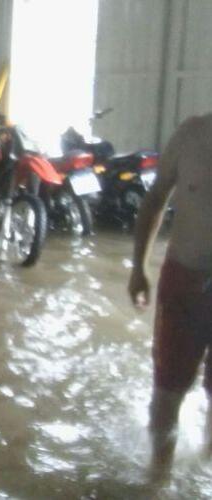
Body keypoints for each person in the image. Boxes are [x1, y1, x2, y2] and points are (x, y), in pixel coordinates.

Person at [128, 114, 212, 482]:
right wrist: (138, 268)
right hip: (183, 280)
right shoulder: (190, 136)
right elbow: (155, 199)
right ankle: (157, 478)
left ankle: (205, 469)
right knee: (167, 390)